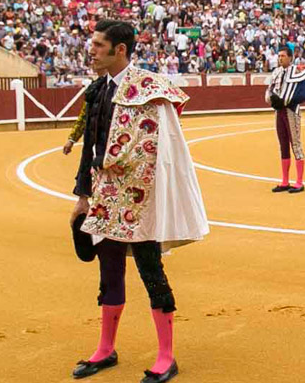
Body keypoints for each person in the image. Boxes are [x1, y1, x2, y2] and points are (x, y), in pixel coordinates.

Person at [59, 20, 208, 382]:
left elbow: (165, 152)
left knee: (151, 272)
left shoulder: (149, 89)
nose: (91, 50)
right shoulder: (96, 91)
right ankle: (106, 349)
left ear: (119, 50)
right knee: (108, 272)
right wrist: (82, 195)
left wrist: (156, 199)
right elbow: (91, 149)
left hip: (141, 200)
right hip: (105, 197)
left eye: (98, 45)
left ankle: (166, 356)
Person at [263, 48, 305, 193]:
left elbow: (303, 94)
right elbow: (269, 90)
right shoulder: (276, 72)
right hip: (279, 112)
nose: (280, 58)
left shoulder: (298, 71)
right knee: (283, 145)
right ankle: (285, 181)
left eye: (283, 56)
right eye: (279, 56)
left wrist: (286, 101)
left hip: (291, 111)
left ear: (290, 58)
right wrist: (272, 100)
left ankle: (299, 182)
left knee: (296, 145)